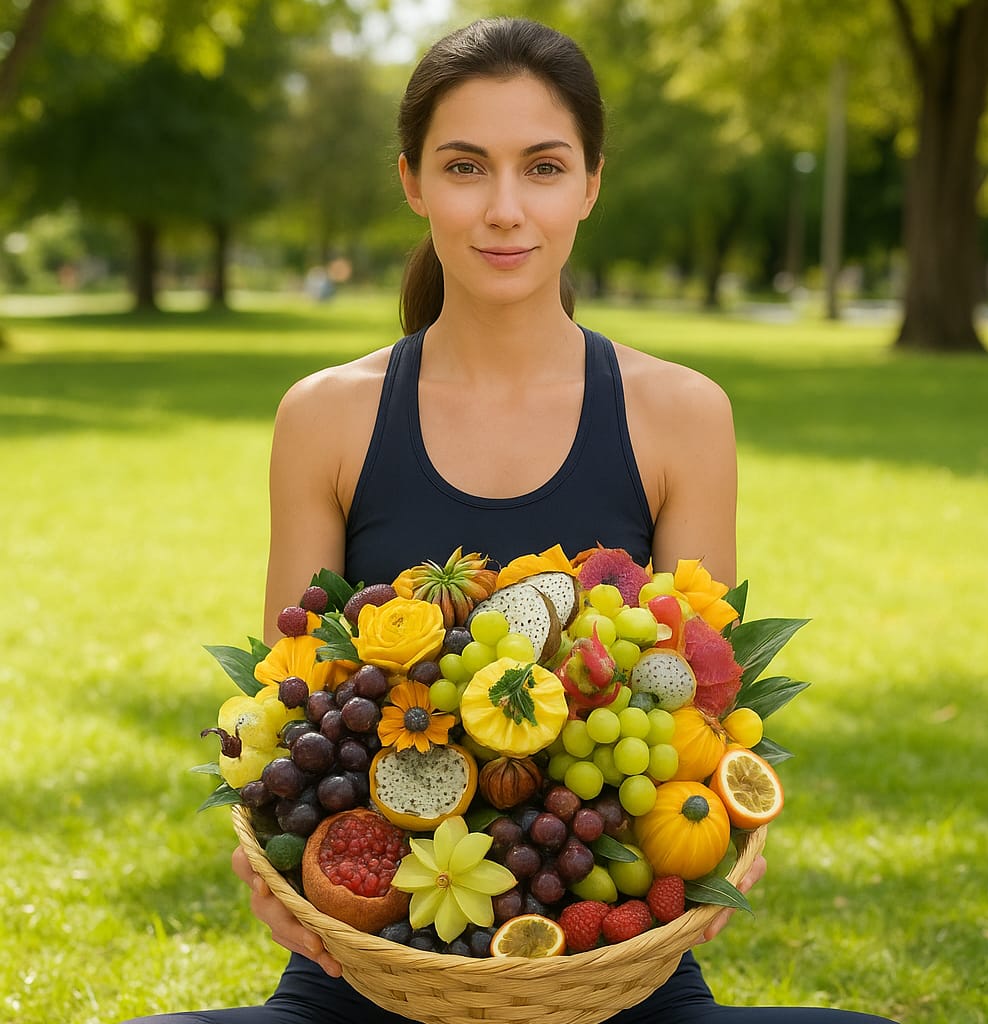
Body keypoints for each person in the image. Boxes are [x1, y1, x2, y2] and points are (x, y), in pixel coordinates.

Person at [125, 17, 895, 1024]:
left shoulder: (681, 415)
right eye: (463, 166)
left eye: (541, 167)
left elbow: (701, 704)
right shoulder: (326, 417)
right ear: (411, 182)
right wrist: (265, 859)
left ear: (590, 185)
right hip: (365, 972)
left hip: (620, 981)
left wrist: (724, 847)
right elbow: (286, 717)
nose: (501, 209)